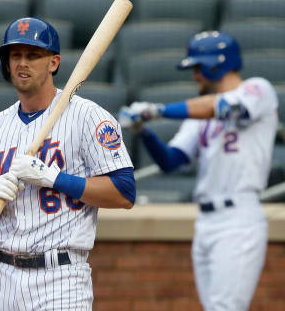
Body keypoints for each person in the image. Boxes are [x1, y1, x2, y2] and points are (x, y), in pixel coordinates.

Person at [0, 17, 136, 311]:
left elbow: (124, 193)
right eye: (15, 55)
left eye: (33, 55)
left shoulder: (88, 117)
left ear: (53, 63)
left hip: (60, 275)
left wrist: (56, 178)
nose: (22, 63)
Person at [118, 31, 278, 311]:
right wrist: (143, 131)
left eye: (197, 67)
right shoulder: (198, 114)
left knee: (224, 307)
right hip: (205, 222)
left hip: (239, 217)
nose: (195, 76)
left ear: (215, 64)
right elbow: (170, 160)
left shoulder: (258, 89)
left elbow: (224, 108)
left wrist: (157, 110)